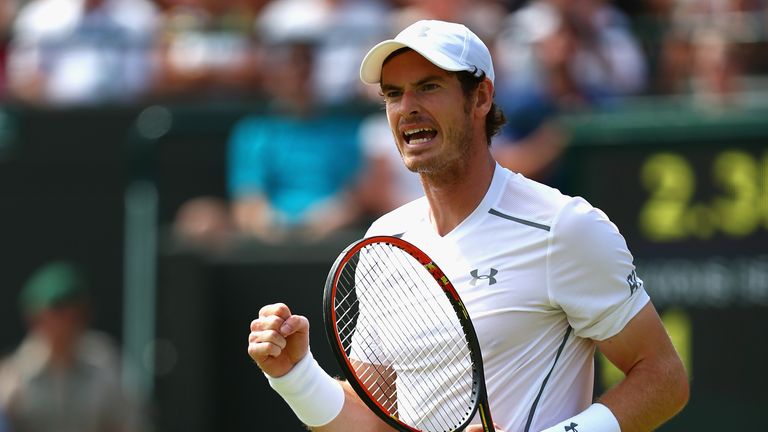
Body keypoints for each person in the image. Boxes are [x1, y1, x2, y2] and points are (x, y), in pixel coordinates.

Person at [247, 20, 689, 432]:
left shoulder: (563, 227)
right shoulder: (384, 243)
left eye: (428, 87)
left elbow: (663, 377)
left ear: (480, 98)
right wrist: (296, 377)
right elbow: (373, 420)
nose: (407, 108)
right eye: (393, 93)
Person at [0, 261, 143, 432]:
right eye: (57, 313)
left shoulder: (105, 362)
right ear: (35, 318)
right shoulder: (13, 376)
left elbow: (130, 422)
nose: (66, 324)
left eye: (75, 315)